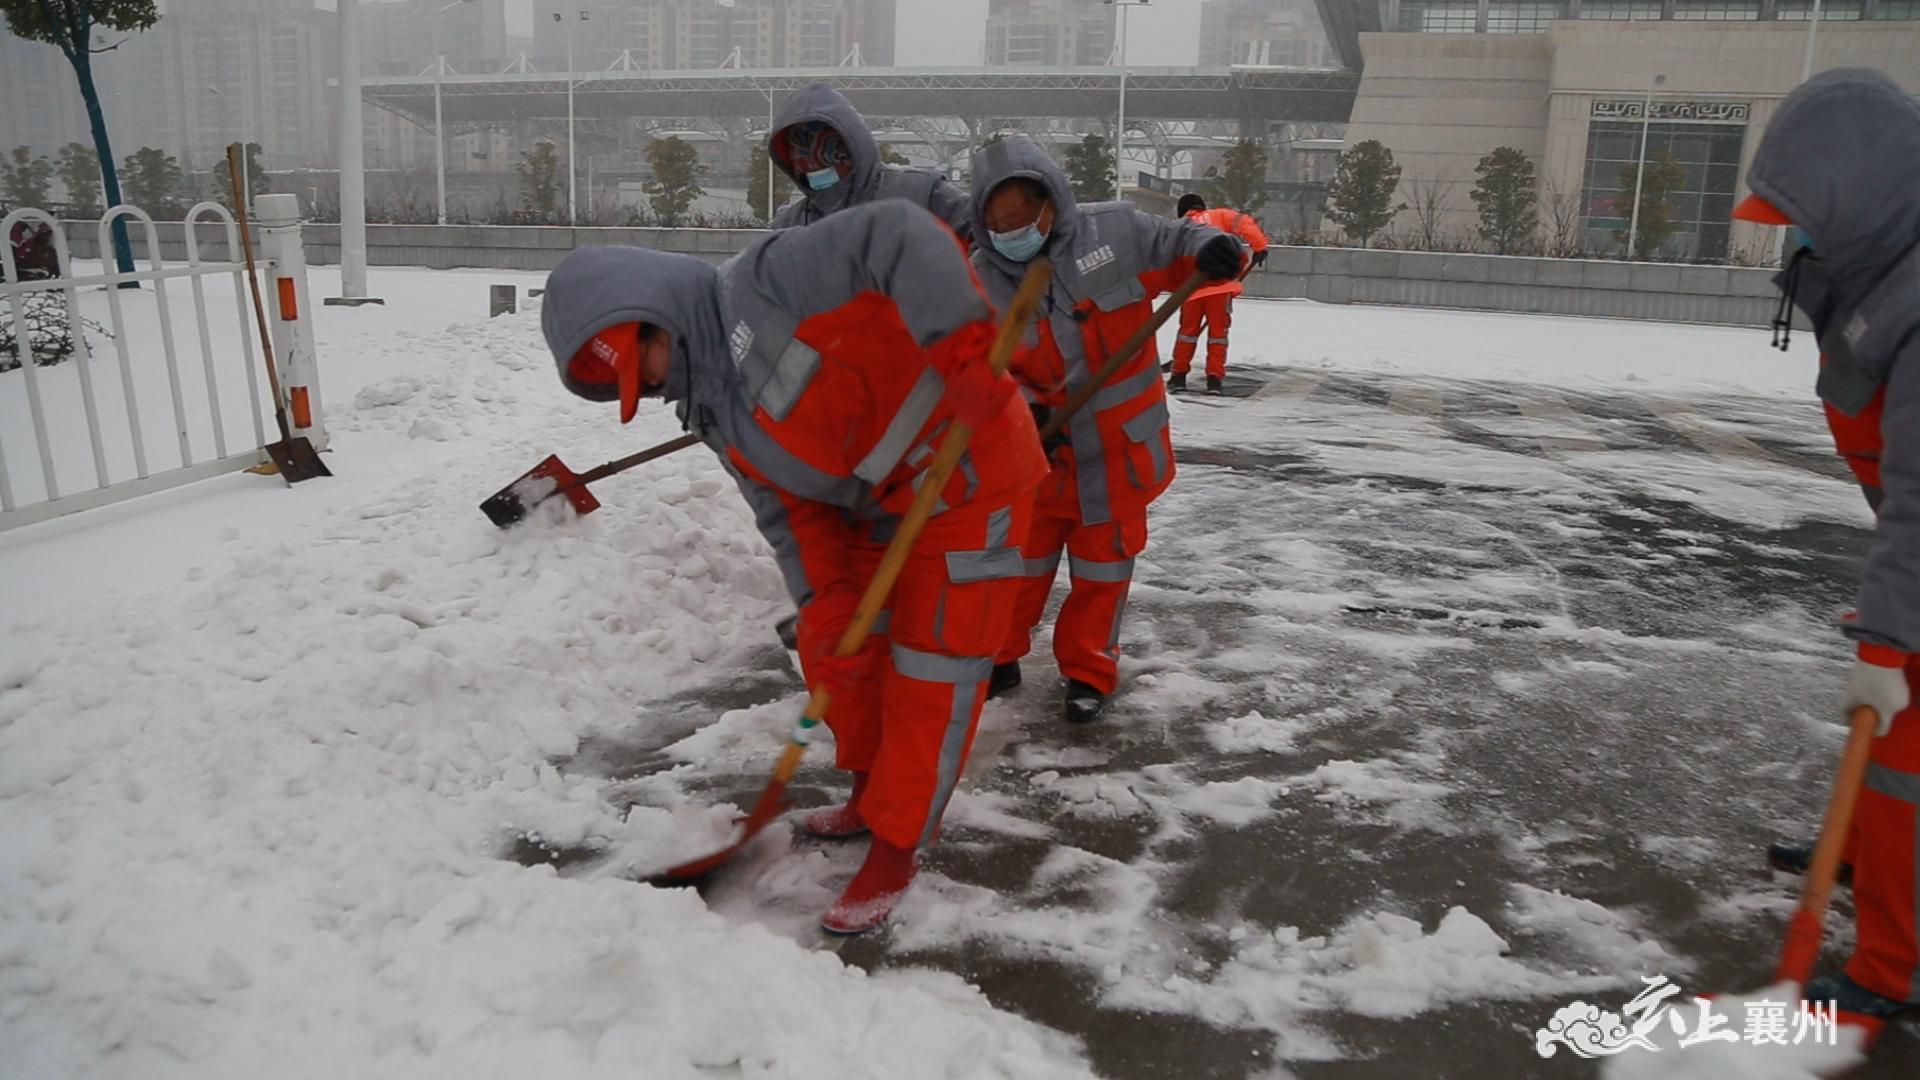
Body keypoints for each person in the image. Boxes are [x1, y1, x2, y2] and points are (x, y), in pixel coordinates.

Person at [538, 201, 1046, 934]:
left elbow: (897, 233)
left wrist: (963, 348)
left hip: (970, 472)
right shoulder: (711, 408)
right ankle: (873, 795)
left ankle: (899, 844)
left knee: (934, 666)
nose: (649, 384)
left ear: (653, 315)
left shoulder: (768, 280)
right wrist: (828, 600)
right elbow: (788, 514)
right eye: (633, 385)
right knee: (837, 647)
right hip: (875, 506)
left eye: (641, 362)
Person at [1734, 67, 1920, 1034]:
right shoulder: (1883, 280)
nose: (1792, 237)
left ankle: (1899, 970)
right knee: (1892, 756)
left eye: (1806, 216)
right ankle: (1873, 848)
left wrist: (1892, 636)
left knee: (1905, 760)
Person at [966, 134, 1244, 724]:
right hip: (1037, 461)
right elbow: (966, 369)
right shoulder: (979, 281)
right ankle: (1001, 656)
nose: (1012, 231)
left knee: (1103, 573)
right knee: (1020, 567)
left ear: (1049, 204)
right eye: (999, 221)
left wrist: (1217, 246)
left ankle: (1088, 672)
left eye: (1022, 217)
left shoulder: (1114, 234)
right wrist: (1017, 408)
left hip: (1118, 457)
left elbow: (1181, 240)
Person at [767, 83, 972, 243]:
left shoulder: (923, 196)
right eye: (801, 158)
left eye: (827, 155)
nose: (812, 167)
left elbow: (984, 240)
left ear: (852, 146)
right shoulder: (789, 226)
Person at [1167, 193, 1269, 396]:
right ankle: (1214, 379)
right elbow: (1245, 223)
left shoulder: (1180, 227)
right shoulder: (1220, 216)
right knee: (1218, 335)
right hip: (1220, 287)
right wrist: (1259, 247)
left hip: (1192, 288)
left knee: (1187, 332)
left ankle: (1178, 376)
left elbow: (1170, 257)